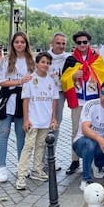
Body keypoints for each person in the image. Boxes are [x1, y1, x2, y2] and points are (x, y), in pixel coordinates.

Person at [61, 31, 104, 176]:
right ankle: (75, 161)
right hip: (79, 101)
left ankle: (96, 161)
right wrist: (73, 76)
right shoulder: (71, 60)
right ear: (75, 44)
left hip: (94, 101)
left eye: (85, 42)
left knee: (96, 130)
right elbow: (63, 80)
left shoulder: (97, 59)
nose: (82, 45)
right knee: (76, 130)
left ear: (89, 43)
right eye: (79, 42)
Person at [0, 32, 35, 182]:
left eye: (22, 42)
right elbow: (0, 81)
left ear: (26, 44)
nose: (20, 45)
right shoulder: (5, 60)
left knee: (21, 134)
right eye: (17, 42)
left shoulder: (31, 61)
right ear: (13, 43)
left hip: (23, 101)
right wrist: (19, 82)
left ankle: (21, 166)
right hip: (7, 99)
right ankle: (2, 167)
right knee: (4, 133)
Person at [15, 52, 59, 190]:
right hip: (33, 120)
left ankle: (36, 170)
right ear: (37, 63)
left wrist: (53, 118)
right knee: (28, 147)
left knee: (41, 146)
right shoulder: (30, 80)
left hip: (45, 121)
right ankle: (21, 176)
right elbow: (26, 101)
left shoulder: (52, 81)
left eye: (48, 63)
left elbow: (54, 101)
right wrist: (26, 120)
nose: (45, 65)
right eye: (43, 62)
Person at [47, 32, 70, 170]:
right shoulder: (45, 57)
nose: (61, 46)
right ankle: (45, 160)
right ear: (52, 44)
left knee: (57, 124)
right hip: (48, 95)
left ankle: (51, 158)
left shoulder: (68, 57)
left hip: (63, 92)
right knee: (48, 125)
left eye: (63, 44)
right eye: (58, 43)